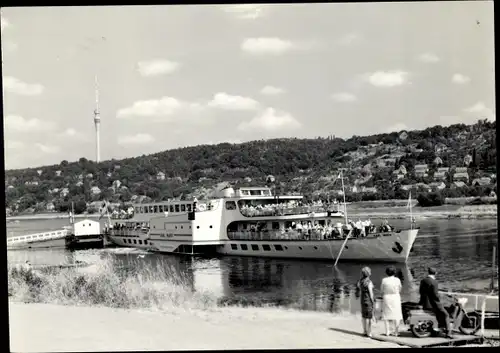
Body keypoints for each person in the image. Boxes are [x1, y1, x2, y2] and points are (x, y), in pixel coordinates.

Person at [419, 267, 453, 338]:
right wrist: (440, 299)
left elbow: (420, 291)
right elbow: (435, 295)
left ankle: (436, 330)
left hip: (425, 303)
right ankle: (448, 333)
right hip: (433, 304)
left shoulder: (423, 280)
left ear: (428, 272)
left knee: (438, 314)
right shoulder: (434, 282)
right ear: (435, 273)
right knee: (446, 314)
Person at [380, 266, 403, 336]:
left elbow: (382, 290)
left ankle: (387, 331)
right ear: (394, 272)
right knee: (397, 314)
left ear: (387, 273)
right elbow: (400, 289)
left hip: (387, 297)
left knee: (386, 314)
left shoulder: (384, 280)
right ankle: (396, 332)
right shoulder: (397, 280)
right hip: (395, 297)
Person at [357, 266, 375, 337]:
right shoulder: (369, 282)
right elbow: (371, 293)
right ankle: (369, 332)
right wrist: (372, 301)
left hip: (362, 300)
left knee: (364, 317)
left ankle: (364, 331)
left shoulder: (360, 281)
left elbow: (358, 286)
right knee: (369, 317)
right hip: (368, 301)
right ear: (369, 273)